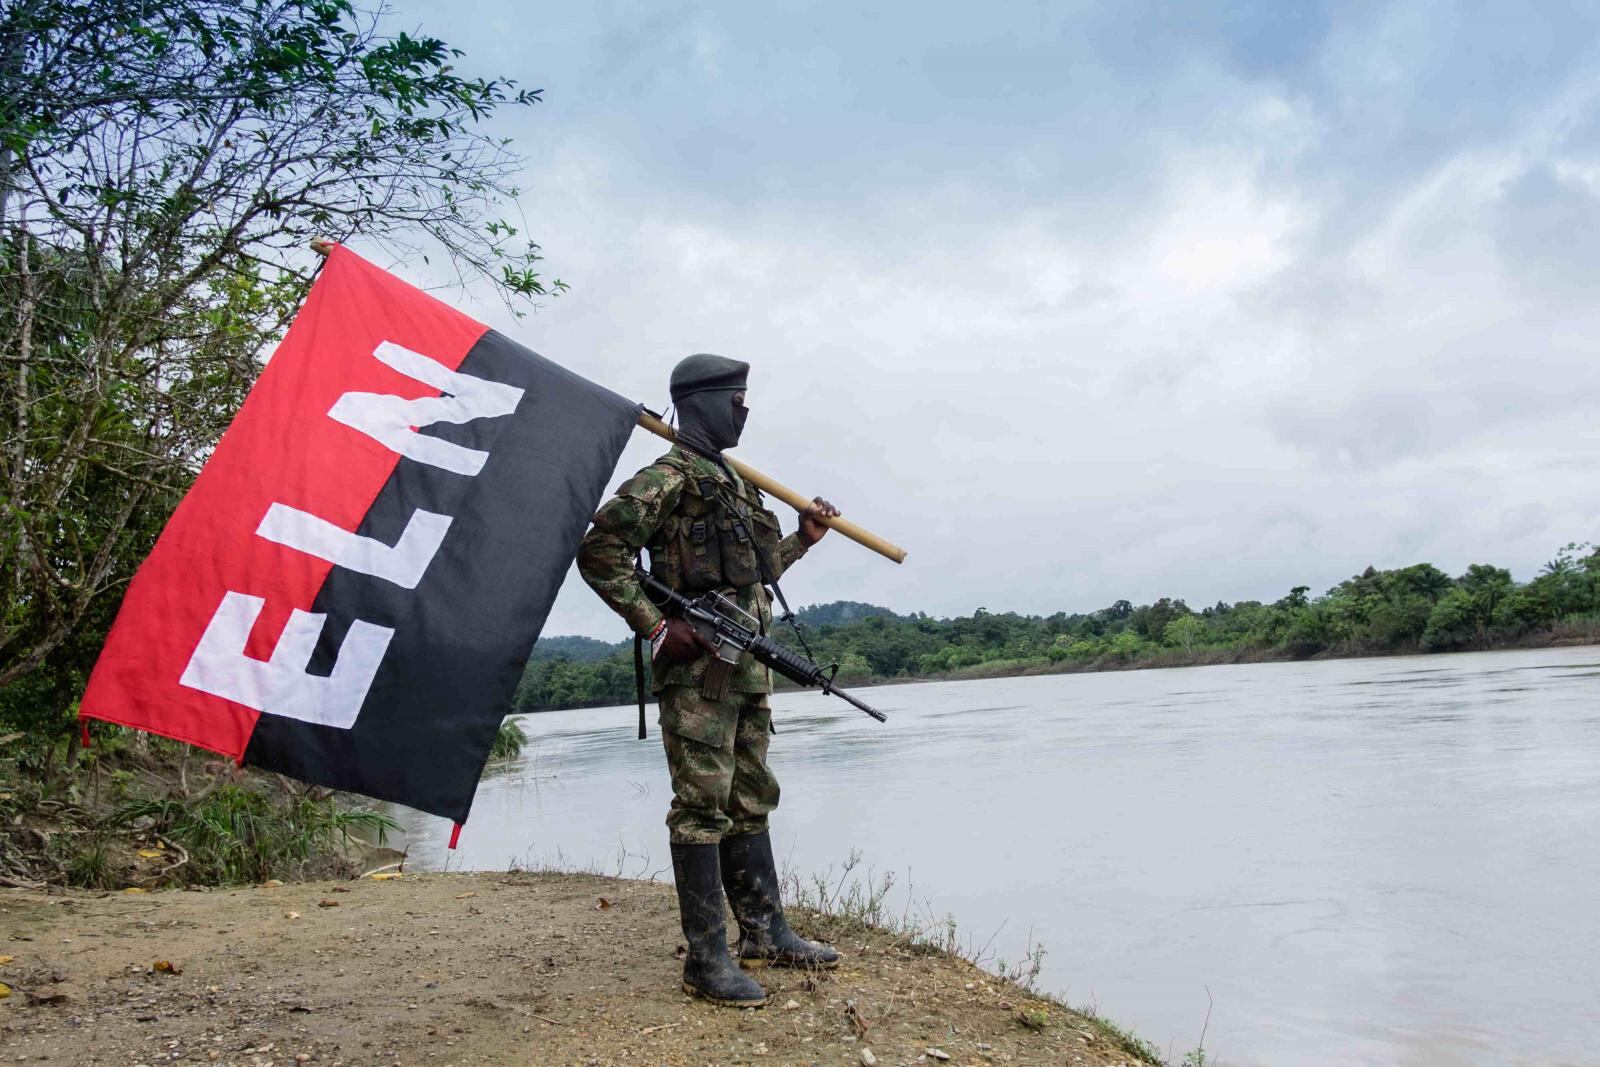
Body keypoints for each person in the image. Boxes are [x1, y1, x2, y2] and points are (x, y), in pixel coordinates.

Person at [576, 353, 842, 1007]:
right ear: (703, 403)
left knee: (751, 796)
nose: (745, 411)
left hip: (747, 667)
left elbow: (751, 575)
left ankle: (765, 932)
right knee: (701, 806)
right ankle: (706, 960)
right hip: (696, 673)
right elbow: (599, 551)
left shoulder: (736, 482)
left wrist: (803, 540)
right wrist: (655, 625)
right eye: (737, 400)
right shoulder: (667, 478)